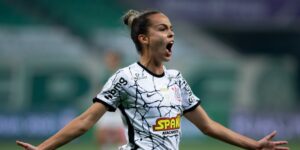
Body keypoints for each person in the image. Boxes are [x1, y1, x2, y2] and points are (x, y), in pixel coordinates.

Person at [16, 9, 289, 150]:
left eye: (171, 29)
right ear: (143, 38)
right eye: (163, 29)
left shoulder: (176, 79)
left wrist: (252, 144)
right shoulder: (126, 78)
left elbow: (208, 126)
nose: (171, 34)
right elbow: (84, 121)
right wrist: (43, 148)